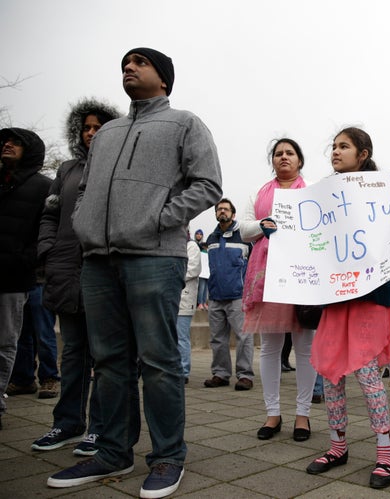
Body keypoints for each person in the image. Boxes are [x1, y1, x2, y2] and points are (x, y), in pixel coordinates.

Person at [47, 47, 222, 499]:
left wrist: (158, 218)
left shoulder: (185, 123)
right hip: (98, 261)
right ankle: (112, 451)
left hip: (155, 258)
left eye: (140, 63)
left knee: (160, 363)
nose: (129, 68)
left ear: (163, 78)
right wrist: (85, 224)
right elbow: (83, 191)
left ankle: (167, 457)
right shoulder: (106, 135)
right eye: (125, 63)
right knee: (107, 363)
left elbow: (207, 185)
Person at [288, 127, 390, 489]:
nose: (335, 152)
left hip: (367, 299)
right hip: (336, 298)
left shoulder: (383, 191)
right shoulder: (322, 194)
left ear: (363, 154)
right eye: (333, 146)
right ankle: (338, 446)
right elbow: (309, 238)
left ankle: (385, 452)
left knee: (367, 377)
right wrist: (283, 230)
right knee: (331, 373)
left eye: (344, 146)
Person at [30, 98, 120, 455]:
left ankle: (99, 429)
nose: (91, 133)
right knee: (73, 354)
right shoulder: (66, 170)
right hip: (65, 270)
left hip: (104, 272)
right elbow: (49, 215)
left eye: (99, 127)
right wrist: (47, 250)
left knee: (104, 356)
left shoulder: (117, 168)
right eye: (86, 128)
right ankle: (67, 423)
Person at [239, 138, 315, 441]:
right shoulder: (259, 193)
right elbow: (243, 229)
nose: (283, 157)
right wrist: (263, 225)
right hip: (267, 278)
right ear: (273, 160)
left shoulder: (311, 190)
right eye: (278, 153)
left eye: (290, 153)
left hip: (302, 276)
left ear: (299, 160)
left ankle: (303, 415)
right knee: (270, 348)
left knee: (305, 349)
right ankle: (272, 414)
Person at [0, 127, 51, 430]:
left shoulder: (43, 186)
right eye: (4, 141)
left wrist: (26, 259)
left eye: (15, 142)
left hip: (14, 277)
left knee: (7, 340)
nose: (6, 145)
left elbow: (47, 230)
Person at [203, 198, 254, 391]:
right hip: (215, 296)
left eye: (225, 209)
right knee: (217, 339)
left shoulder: (244, 237)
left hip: (238, 296)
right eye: (219, 209)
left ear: (233, 214)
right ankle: (221, 374)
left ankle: (245, 375)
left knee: (244, 337)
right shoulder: (211, 239)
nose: (221, 211)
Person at [7, 281, 59, 399]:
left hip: (40, 281)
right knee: (21, 335)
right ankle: (23, 379)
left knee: (44, 334)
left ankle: (49, 378)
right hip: (19, 283)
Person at [177, 230, 201, 383]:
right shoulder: (171, 245)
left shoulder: (191, 246)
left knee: (181, 337)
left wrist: (171, 274)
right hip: (169, 298)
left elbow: (192, 269)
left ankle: (183, 372)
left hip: (184, 298)